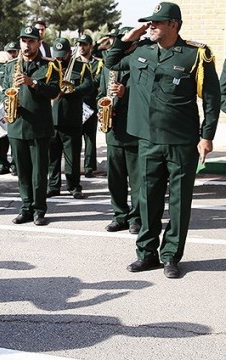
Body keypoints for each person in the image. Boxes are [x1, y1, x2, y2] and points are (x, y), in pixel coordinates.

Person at [105, 2, 221, 278]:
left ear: (174, 25)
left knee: (179, 202)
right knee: (146, 200)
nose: (151, 26)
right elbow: (111, 61)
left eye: (157, 22)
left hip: (182, 141)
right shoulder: (141, 51)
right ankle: (146, 254)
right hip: (147, 140)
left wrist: (207, 136)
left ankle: (170, 256)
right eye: (149, 22)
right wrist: (127, 38)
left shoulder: (195, 55)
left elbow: (212, 99)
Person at [0, 25, 61, 226]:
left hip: (39, 126)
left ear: (39, 43)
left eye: (31, 41)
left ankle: (39, 210)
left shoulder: (50, 65)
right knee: (23, 171)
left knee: (39, 172)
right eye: (24, 41)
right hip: (17, 125)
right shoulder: (9, 66)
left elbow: (54, 92)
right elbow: (5, 93)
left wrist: (32, 83)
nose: (27, 45)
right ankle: (26, 207)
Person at [97, 27, 141, 235]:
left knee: (137, 180)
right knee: (115, 178)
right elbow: (99, 92)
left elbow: (147, 95)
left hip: (133, 130)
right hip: (113, 130)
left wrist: (126, 93)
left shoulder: (139, 62)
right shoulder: (108, 65)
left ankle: (136, 217)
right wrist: (102, 106)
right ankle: (119, 215)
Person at [47, 38, 93, 200]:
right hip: (51, 119)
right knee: (52, 157)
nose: (60, 58)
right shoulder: (49, 66)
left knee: (72, 156)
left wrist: (72, 91)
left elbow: (89, 86)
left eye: (63, 55)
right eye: (57, 55)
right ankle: (53, 186)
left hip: (71, 118)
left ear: (69, 52)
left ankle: (74, 186)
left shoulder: (81, 67)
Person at [0, 41, 19, 176]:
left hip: (15, 102)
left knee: (14, 135)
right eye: (10, 52)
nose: (12, 54)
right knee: (1, 135)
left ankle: (15, 164)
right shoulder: (0, 65)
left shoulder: (18, 65)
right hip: (2, 102)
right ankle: (3, 163)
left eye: (14, 52)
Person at [77, 34, 103, 178]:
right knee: (75, 136)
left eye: (84, 44)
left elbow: (97, 81)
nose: (81, 47)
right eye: (79, 44)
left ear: (90, 46)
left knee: (90, 136)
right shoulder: (73, 63)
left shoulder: (98, 63)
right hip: (76, 102)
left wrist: (87, 85)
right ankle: (75, 164)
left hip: (90, 102)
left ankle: (89, 166)